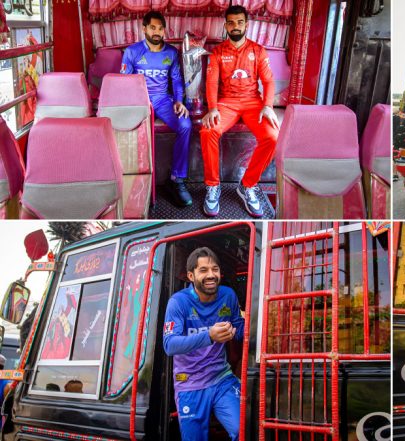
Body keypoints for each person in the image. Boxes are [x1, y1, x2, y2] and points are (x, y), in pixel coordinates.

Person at [200, 5, 280, 217]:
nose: (236, 26)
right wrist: (213, 108)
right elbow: (211, 82)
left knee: (273, 137)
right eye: (231, 23)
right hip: (226, 103)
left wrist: (268, 106)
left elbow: (269, 81)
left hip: (253, 102)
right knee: (208, 131)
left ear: (246, 24)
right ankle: (212, 185)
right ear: (226, 25)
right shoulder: (217, 52)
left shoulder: (258, 50)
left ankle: (247, 185)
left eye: (240, 22)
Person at [163, 247, 245, 441]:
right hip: (189, 384)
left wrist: (238, 330)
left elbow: (240, 328)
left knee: (244, 430)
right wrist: (210, 335)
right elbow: (169, 344)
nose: (211, 275)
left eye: (214, 269)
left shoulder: (228, 295)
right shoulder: (178, 302)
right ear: (191, 275)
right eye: (203, 270)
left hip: (222, 378)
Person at [121, 11, 193, 207]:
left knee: (185, 125)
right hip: (139, 100)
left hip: (162, 100)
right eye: (152, 27)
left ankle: (177, 179)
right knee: (135, 134)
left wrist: (179, 101)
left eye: (160, 28)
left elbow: (177, 80)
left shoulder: (171, 53)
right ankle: (136, 181)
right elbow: (125, 83)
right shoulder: (132, 52)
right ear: (144, 28)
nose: (157, 32)